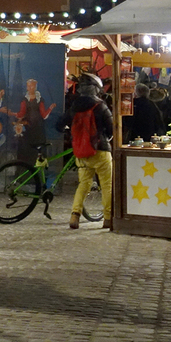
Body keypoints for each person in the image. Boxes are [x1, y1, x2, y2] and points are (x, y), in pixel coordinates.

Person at [58, 73, 114, 230]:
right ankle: (108, 218)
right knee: (106, 185)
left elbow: (59, 124)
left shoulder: (74, 107)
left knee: (83, 184)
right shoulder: (101, 106)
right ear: (96, 90)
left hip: (82, 153)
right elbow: (111, 129)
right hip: (101, 151)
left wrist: (71, 134)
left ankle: (75, 216)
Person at [14, 78, 57, 162]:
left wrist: (50, 108)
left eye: (32, 86)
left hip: (38, 129)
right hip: (28, 130)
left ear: (35, 87)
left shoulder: (40, 99)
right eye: (29, 86)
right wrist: (14, 114)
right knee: (27, 150)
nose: (30, 88)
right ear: (26, 87)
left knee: (38, 152)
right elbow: (21, 113)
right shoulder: (24, 100)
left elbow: (44, 115)